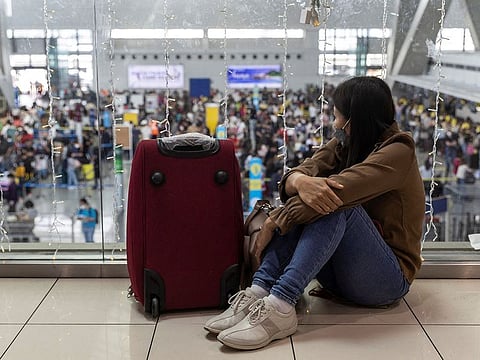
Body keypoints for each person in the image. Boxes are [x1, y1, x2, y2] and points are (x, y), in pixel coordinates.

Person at [204, 76, 425, 350]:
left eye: (336, 116)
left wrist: (277, 219)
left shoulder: (398, 152)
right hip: (340, 274)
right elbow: (300, 171)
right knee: (316, 197)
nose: (333, 124)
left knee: (332, 205)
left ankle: (281, 304)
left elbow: (338, 196)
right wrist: (299, 183)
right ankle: (261, 291)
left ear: (353, 120)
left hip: (387, 280)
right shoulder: (347, 142)